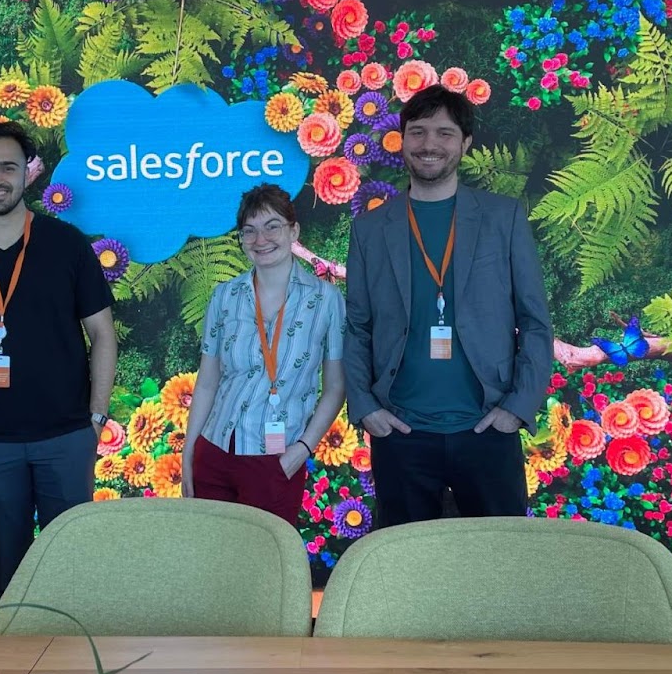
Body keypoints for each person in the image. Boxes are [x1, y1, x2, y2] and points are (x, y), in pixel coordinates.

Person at [0, 118, 118, 602]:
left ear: (26, 172)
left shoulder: (66, 243)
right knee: (8, 579)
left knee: (72, 569)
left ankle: (75, 670)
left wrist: (95, 418)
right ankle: (13, 673)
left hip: (67, 437)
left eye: (8, 167)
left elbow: (103, 335)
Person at [343, 84, 553, 525]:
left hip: (487, 428)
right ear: (402, 140)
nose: (429, 145)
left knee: (499, 559)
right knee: (407, 567)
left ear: (466, 143)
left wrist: (516, 409)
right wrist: (365, 407)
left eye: (444, 133)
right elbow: (358, 327)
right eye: (417, 132)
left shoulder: (504, 218)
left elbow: (534, 322)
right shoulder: (370, 229)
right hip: (400, 431)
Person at [181, 184, 347, 525]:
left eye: (272, 226)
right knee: (212, 558)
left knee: (266, 565)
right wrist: (189, 452)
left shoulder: (327, 300)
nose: (261, 239)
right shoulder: (224, 296)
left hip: (277, 460)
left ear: (294, 230)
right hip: (214, 451)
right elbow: (208, 382)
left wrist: (301, 451)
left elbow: (335, 388)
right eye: (250, 231)